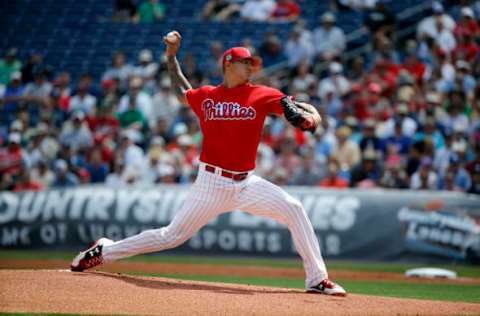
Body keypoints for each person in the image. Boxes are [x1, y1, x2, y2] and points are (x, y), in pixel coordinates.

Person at [70, 30, 346, 297]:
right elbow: (181, 89)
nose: (251, 67)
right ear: (228, 64)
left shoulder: (263, 94)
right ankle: (104, 251)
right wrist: (171, 56)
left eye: (253, 63)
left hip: (247, 183)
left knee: (294, 208)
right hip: (210, 184)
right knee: (170, 236)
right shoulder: (207, 96)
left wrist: (311, 119)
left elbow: (308, 111)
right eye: (245, 62)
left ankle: (317, 279)